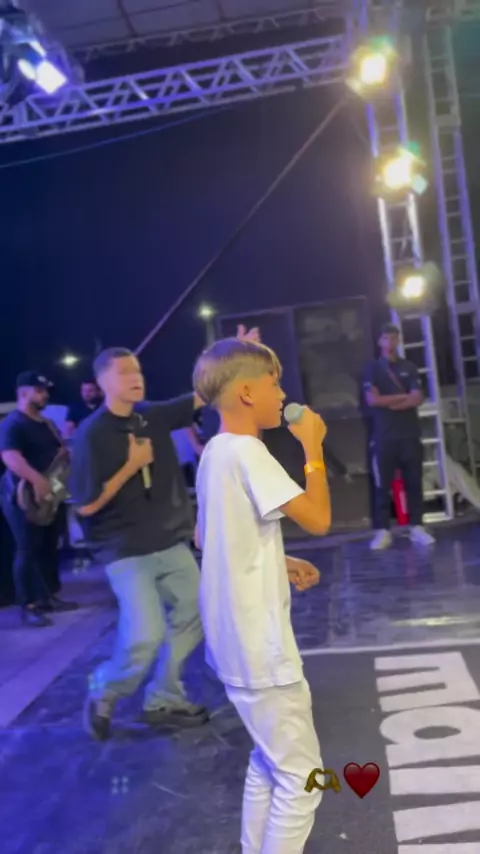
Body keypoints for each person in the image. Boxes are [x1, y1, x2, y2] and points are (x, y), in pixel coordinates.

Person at [70, 327, 258, 741]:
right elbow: (86, 505)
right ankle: (105, 689)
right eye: (124, 372)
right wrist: (130, 466)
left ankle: (163, 697)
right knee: (146, 633)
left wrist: (236, 353)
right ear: (103, 382)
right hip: (125, 550)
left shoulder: (151, 416)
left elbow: (204, 395)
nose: (135, 377)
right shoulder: (92, 434)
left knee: (196, 611)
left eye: (137, 370)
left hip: (169, 542)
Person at [193, 338, 331, 854]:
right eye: (275, 384)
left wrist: (278, 560)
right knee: (304, 779)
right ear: (248, 393)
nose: (282, 395)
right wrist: (312, 449)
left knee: (270, 760)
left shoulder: (215, 451)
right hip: (260, 648)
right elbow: (318, 520)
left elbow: (209, 537)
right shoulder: (250, 451)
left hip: (231, 641)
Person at [0, 372, 78, 627]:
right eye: (39, 390)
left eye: (45, 391)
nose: (45, 395)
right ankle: (28, 606)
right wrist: (36, 479)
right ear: (24, 392)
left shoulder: (47, 424)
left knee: (48, 547)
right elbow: (10, 457)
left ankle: (47, 597)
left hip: (50, 495)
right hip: (22, 496)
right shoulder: (13, 423)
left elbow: (59, 452)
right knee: (27, 549)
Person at [364, 323, 435, 550]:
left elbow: (417, 398)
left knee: (414, 482)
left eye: (394, 337)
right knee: (381, 485)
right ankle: (383, 530)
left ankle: (417, 526)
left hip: (409, 434)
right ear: (380, 341)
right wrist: (402, 397)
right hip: (384, 436)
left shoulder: (409, 367)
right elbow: (372, 400)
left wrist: (388, 400)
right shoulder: (373, 369)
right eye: (386, 338)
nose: (390, 342)